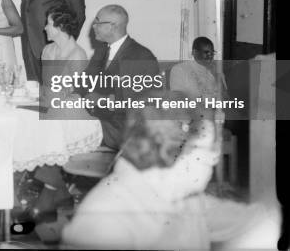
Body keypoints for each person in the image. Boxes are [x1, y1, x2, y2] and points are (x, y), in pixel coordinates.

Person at [62, 92, 280, 250]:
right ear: (172, 152)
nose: (215, 157)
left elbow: (248, 219)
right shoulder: (104, 222)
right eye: (208, 149)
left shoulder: (181, 195)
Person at [27, 6, 89, 222]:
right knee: (24, 119)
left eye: (49, 23)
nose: (44, 27)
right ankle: (58, 191)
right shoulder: (48, 51)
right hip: (51, 107)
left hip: (73, 112)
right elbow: (46, 88)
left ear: (61, 27)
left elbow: (77, 94)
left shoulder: (78, 55)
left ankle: (51, 192)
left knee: (44, 129)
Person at [84, 4, 159, 151]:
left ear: (112, 26)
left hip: (124, 130)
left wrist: (101, 100)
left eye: (97, 22)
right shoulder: (101, 51)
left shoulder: (140, 56)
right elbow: (85, 81)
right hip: (99, 121)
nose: (94, 26)